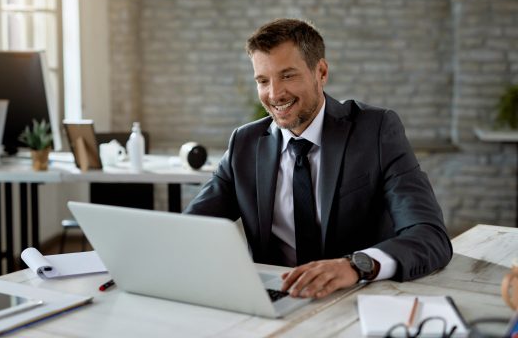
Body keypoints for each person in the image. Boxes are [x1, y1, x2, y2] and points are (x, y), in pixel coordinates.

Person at [184, 18, 452, 299]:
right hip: (275, 302)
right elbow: (190, 230)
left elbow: (430, 236)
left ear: (321, 72)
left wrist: (356, 265)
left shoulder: (375, 130)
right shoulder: (245, 143)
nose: (274, 94)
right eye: (263, 80)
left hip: (356, 297)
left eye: (287, 75)